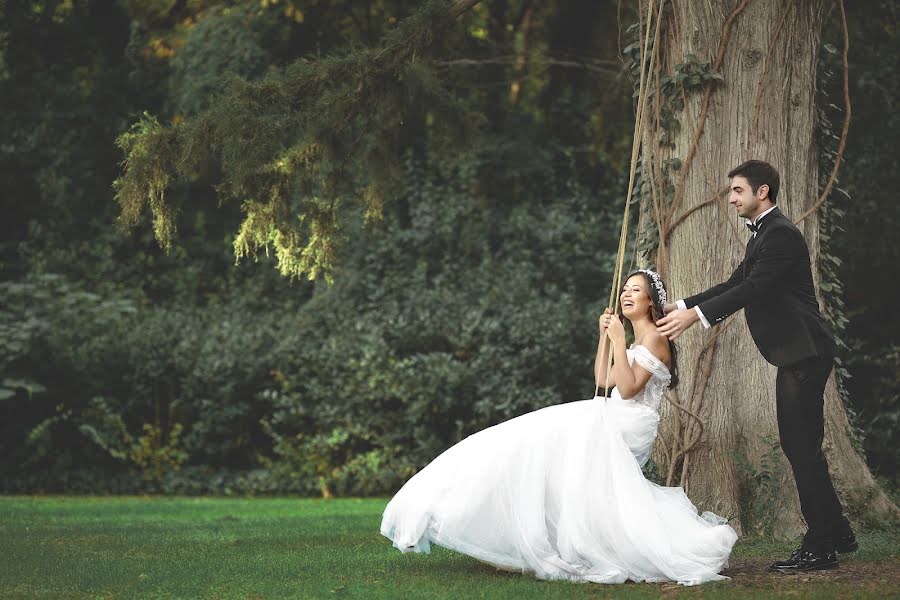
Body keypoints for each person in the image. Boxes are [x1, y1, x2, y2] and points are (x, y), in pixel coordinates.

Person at [381, 270, 737, 586]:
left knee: (539, 437)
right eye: (625, 290)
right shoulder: (633, 341)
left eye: (636, 291)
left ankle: (538, 539)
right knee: (535, 444)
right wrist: (605, 337)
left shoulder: (656, 340)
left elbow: (627, 390)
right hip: (610, 415)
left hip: (626, 423)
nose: (627, 295)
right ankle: (480, 520)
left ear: (652, 303)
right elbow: (602, 378)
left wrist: (616, 341)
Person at [656, 160, 856, 573]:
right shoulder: (766, 235)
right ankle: (836, 531)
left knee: (799, 447)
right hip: (799, 352)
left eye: (737, 191)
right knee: (804, 446)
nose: (731, 199)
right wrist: (681, 305)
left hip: (804, 352)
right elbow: (734, 283)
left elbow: (752, 289)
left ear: (761, 192)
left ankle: (821, 545)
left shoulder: (780, 235)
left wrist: (697, 318)